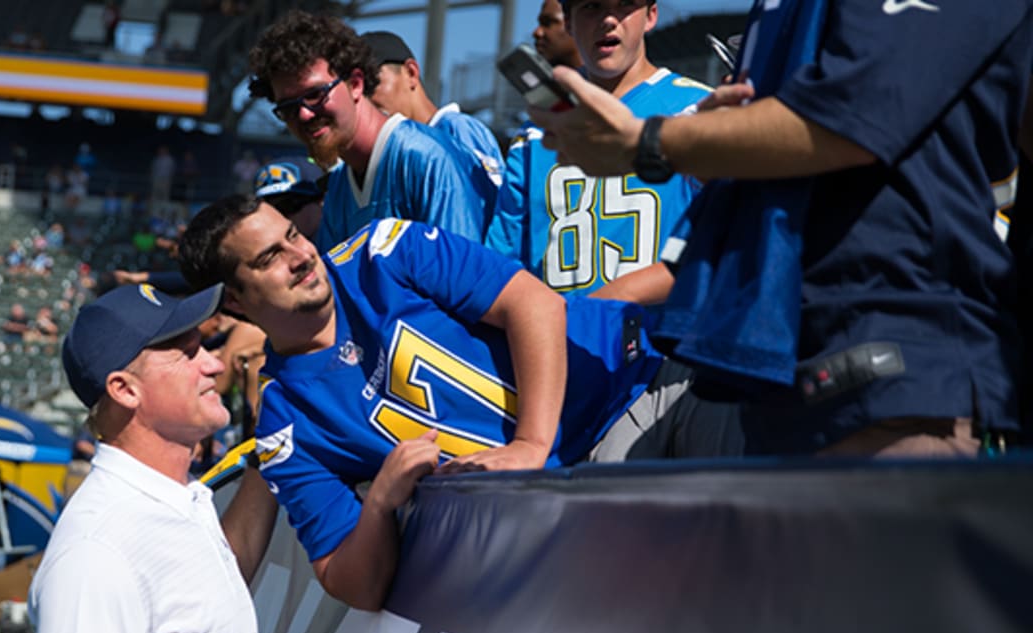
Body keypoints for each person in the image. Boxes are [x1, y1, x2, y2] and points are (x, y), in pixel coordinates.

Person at [176, 196, 740, 609]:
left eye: (293, 236)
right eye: (268, 257)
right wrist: (377, 508)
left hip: (643, 373)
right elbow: (353, 584)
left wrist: (531, 444)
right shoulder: (283, 420)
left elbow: (534, 303)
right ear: (234, 300)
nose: (299, 256)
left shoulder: (383, 252)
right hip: (580, 483)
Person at [529, 0, 1033, 456]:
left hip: (896, 369)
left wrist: (650, 141)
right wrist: (720, 152)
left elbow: (856, 116)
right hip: (782, 375)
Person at [30, 282, 275, 633]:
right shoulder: (97, 549)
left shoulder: (168, 500)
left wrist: (267, 453)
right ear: (125, 389)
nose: (215, 364)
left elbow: (209, 583)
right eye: (188, 352)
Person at [486, 0, 709, 303]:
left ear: (651, 15)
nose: (607, 19)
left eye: (625, 5)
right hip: (559, 344)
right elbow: (503, 267)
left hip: (659, 344)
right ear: (568, 21)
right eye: (591, 6)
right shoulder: (537, 135)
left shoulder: (699, 111)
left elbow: (717, 257)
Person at [247, 11, 496, 251]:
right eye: (288, 108)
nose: (304, 114)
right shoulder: (340, 188)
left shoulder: (427, 159)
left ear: (355, 84)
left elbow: (462, 286)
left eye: (315, 94)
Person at [361, 30, 504, 187]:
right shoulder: (390, 153)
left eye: (370, 84)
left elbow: (490, 204)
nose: (364, 100)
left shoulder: (457, 130)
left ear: (411, 72)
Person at [149, 145, 175, 215]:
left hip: (166, 179)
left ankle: (164, 211)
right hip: (157, 179)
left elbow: (171, 170)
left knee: (164, 195)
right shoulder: (156, 159)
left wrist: (169, 178)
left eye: (163, 150)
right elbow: (153, 169)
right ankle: (154, 210)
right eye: (160, 150)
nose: (161, 151)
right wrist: (153, 178)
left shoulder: (169, 159)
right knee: (155, 195)